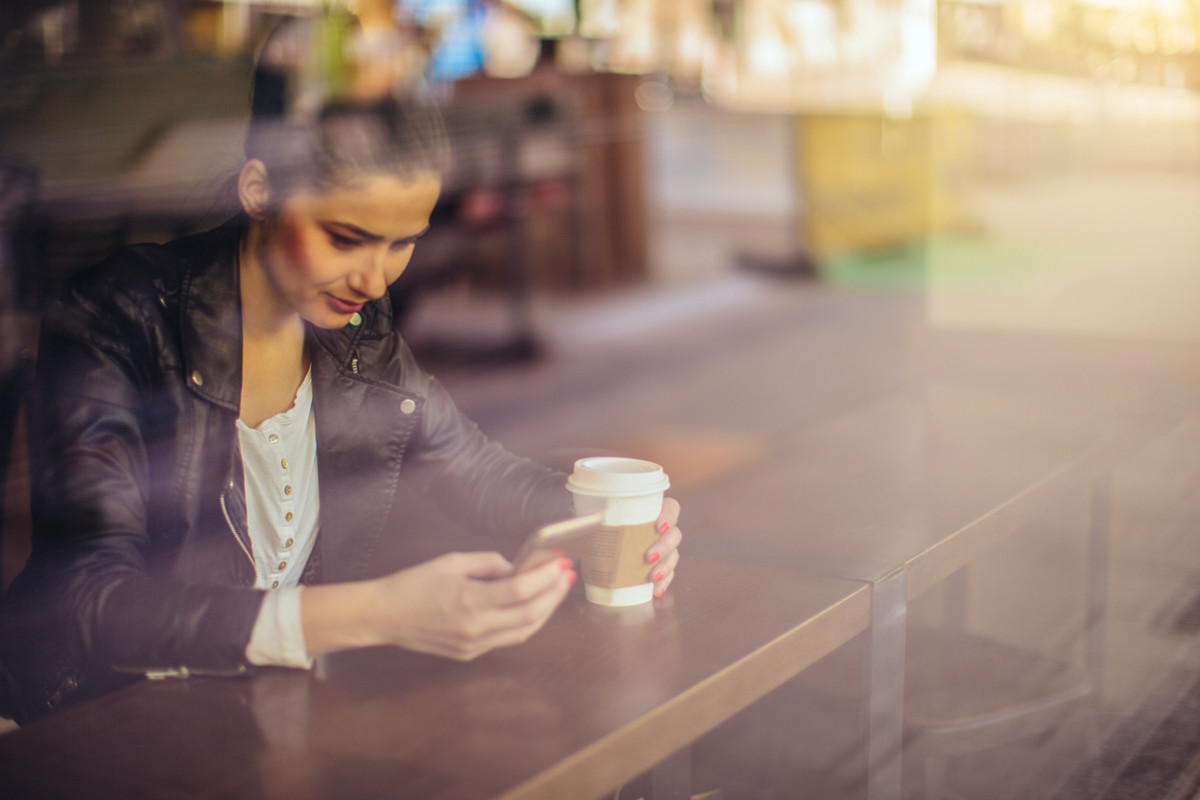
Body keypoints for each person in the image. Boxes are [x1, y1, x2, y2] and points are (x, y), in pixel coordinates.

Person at [0, 14, 682, 724]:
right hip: (87, 720)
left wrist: (614, 522)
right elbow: (86, 599)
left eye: (401, 244)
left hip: (241, 711)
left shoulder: (354, 335)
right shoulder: (117, 318)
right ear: (260, 191)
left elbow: (474, 469)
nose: (373, 279)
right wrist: (373, 613)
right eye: (345, 238)